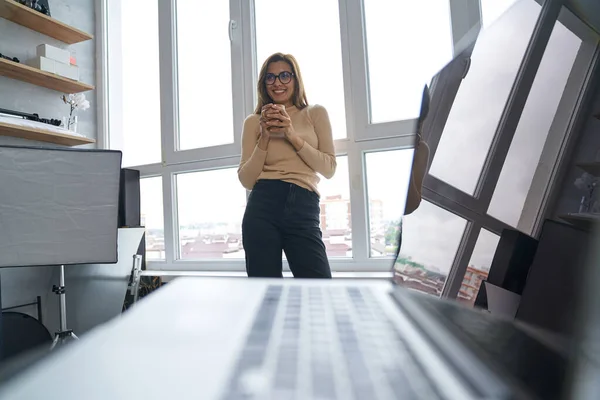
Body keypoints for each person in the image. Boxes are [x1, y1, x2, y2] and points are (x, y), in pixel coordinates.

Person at [237, 53, 336, 278]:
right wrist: (264, 137)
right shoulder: (253, 122)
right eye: (270, 78)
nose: (277, 83)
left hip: (304, 204)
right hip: (263, 205)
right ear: (263, 84)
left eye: (284, 75)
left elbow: (329, 168)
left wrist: (291, 134)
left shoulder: (315, 113)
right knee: (265, 293)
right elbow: (246, 180)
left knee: (319, 288)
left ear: (295, 79)